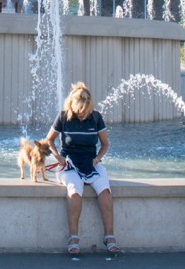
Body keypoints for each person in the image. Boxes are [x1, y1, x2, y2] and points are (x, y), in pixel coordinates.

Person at [44, 82, 118, 256]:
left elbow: (105, 144)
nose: (82, 113)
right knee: (75, 191)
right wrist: (58, 157)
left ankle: (109, 236)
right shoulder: (63, 117)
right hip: (69, 164)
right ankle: (74, 237)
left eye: (85, 110)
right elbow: (49, 140)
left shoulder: (96, 117)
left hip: (90, 162)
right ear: (72, 105)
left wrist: (97, 159)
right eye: (79, 110)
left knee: (105, 191)